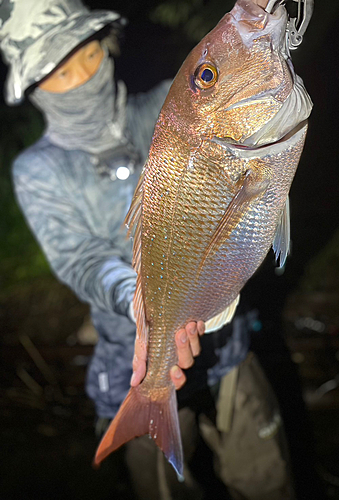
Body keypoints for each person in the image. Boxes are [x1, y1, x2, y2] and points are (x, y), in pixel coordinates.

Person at [0, 1, 297, 498]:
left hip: (227, 350)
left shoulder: (166, 105)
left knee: (267, 480)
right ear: (31, 86)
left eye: (89, 54)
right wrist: (141, 305)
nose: (80, 77)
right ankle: (148, 410)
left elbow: (238, 99)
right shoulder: (38, 169)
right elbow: (81, 259)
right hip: (131, 364)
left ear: (106, 46)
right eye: (57, 70)